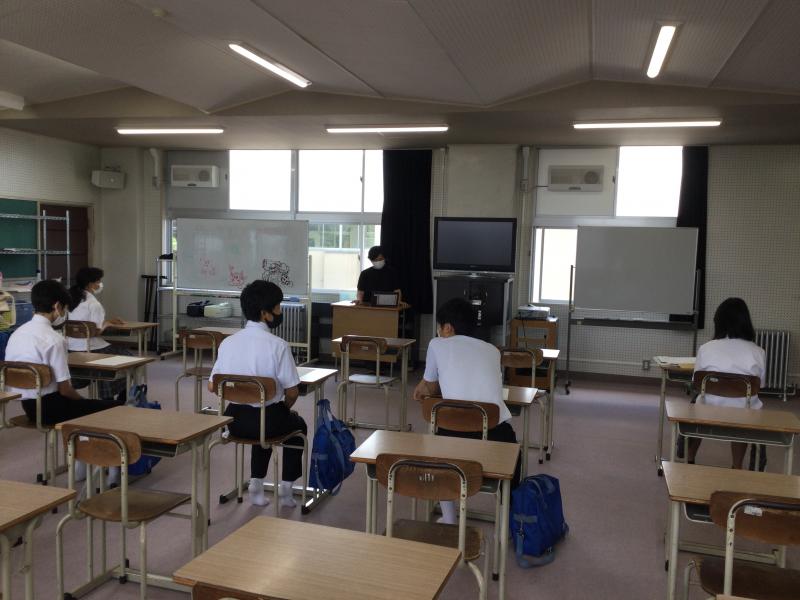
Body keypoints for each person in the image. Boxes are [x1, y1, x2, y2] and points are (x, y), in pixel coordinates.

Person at [413, 297, 520, 524]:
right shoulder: (492, 350)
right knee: (512, 448)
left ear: (447, 328)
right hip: (496, 437)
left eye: (439, 327)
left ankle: (449, 518)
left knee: (436, 437)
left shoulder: (436, 344)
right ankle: (510, 519)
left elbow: (429, 386)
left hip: (452, 439)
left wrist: (422, 389)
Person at [208, 280, 306, 508]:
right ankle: (286, 488)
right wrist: (284, 408)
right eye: (278, 307)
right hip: (267, 422)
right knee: (297, 426)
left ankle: (256, 483)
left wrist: (243, 393)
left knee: (262, 421)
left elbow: (213, 386)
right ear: (265, 313)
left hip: (232, 421)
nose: (280, 311)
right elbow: (292, 391)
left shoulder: (228, 343)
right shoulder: (278, 345)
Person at [688, 297, 766, 469]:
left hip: (707, 412)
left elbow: (696, 383)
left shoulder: (706, 348)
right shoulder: (758, 352)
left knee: (696, 403)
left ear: (718, 322)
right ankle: (737, 466)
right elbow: (760, 386)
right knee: (746, 409)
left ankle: (690, 458)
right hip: (745, 416)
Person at [66, 267, 129, 401]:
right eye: (98, 281)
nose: (100, 284)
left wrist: (106, 321)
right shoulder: (94, 304)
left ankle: (109, 395)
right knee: (129, 358)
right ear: (90, 284)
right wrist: (107, 323)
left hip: (70, 348)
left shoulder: (70, 300)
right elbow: (95, 331)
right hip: (91, 348)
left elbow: (83, 325)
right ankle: (118, 396)